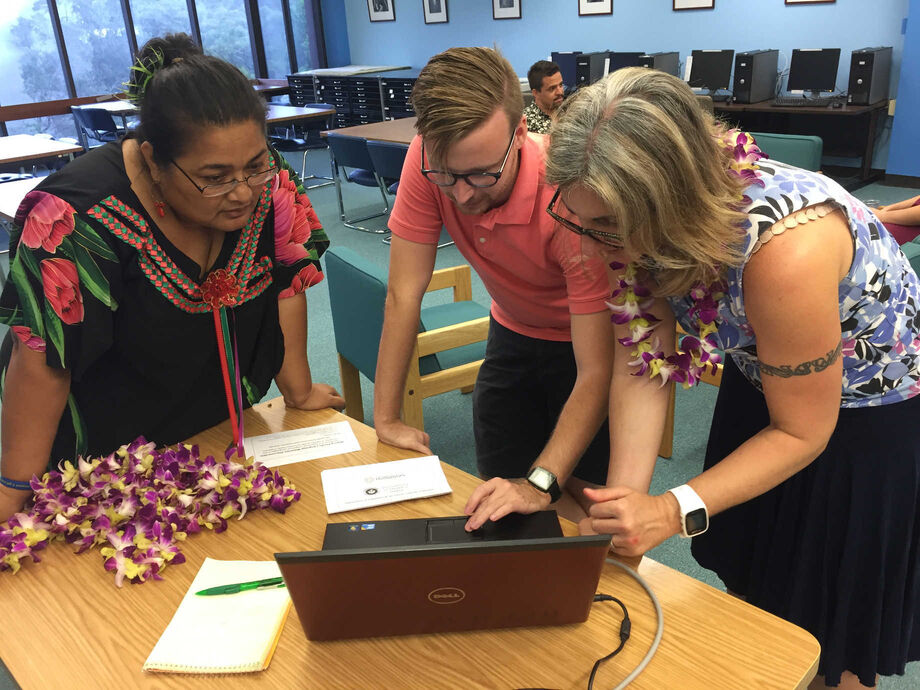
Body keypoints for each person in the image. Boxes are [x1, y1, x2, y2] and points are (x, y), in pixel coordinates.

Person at [545, 67, 920, 690]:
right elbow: (647, 359)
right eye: (581, 220)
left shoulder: (787, 253)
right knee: (756, 582)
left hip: (863, 423)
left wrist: (670, 508)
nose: (592, 244)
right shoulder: (632, 217)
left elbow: (802, 432)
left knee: (833, 628)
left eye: (608, 227)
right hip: (764, 376)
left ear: (666, 206)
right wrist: (627, 510)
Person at [0, 34, 344, 523]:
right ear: (153, 161)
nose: (243, 192)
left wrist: (299, 390)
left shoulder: (270, 184)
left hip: (211, 427)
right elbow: (43, 357)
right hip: (103, 452)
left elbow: (285, 279)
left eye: (254, 165)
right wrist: (13, 490)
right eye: (215, 176)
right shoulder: (72, 217)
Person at [374, 47, 614, 526]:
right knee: (498, 483)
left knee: (582, 500)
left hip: (585, 345)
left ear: (521, 133)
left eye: (482, 173)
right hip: (511, 328)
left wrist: (542, 482)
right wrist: (387, 419)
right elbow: (404, 292)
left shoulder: (569, 198)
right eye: (447, 176)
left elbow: (595, 370)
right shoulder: (429, 161)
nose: (462, 193)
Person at [524, 60, 564, 135]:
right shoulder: (526, 123)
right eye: (552, 88)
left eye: (561, 85)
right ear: (535, 93)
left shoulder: (568, 112)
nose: (560, 92)